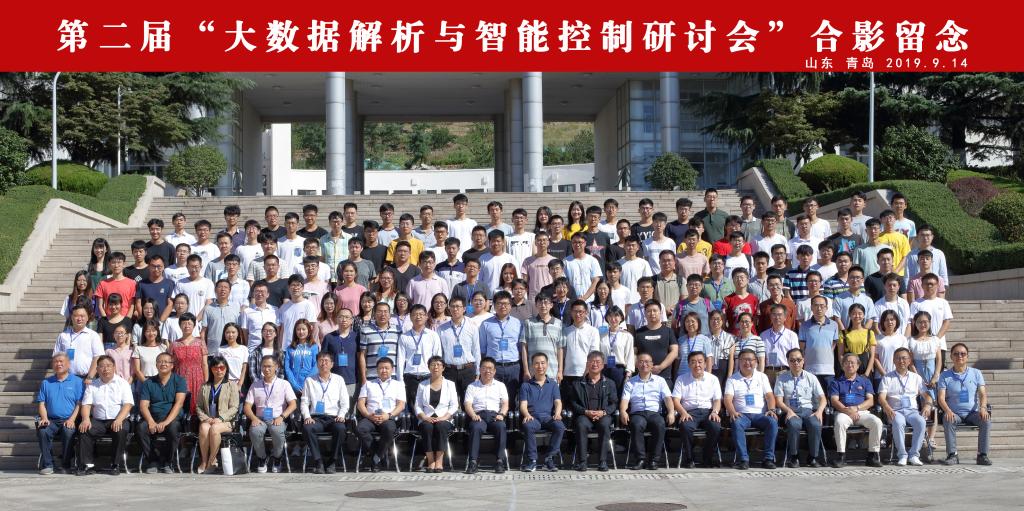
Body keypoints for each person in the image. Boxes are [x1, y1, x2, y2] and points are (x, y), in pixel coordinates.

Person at [77, 355, 134, 475]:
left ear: (114, 367)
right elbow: (86, 404)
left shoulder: (123, 383)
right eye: (102, 366)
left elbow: (128, 404)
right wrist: (86, 419)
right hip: (99, 420)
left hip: (119, 418)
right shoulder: (92, 385)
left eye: (108, 366)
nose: (105, 369)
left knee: (120, 430)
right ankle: (87, 465)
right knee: (84, 429)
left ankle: (115, 465)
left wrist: (119, 419)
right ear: (97, 369)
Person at [937, 343, 992, 466]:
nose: (959, 356)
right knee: (948, 418)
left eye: (963, 354)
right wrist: (948, 411)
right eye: (956, 354)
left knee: (986, 420)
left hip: (972, 413)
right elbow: (941, 398)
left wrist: (983, 408)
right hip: (954, 413)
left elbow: (983, 394)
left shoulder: (976, 373)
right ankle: (952, 455)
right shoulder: (944, 376)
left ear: (967, 356)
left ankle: (982, 455)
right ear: (951, 356)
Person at [723, 349, 779, 470]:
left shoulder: (762, 377)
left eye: (750, 360)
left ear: (756, 362)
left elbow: (769, 396)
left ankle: (768, 459)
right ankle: (743, 460)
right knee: (736, 422)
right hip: (742, 415)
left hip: (760, 414)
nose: (747, 363)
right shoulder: (732, 379)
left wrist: (772, 409)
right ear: (739, 361)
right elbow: (727, 399)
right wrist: (732, 412)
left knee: (772, 422)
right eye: (744, 360)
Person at [619, 353, 675, 470]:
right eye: (641, 361)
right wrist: (623, 411)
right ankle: (640, 459)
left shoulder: (660, 381)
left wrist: (671, 412)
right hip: (638, 413)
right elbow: (625, 400)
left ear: (652, 365)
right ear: (636, 365)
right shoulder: (630, 382)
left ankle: (654, 460)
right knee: (636, 424)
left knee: (660, 424)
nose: (644, 364)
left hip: (654, 413)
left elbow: (667, 398)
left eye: (647, 362)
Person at [879, 347, 934, 466]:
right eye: (898, 358)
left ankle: (914, 455)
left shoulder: (916, 377)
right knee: (898, 422)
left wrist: (927, 406)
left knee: (921, 422)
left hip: (912, 411)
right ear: (893, 360)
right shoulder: (887, 378)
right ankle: (902, 455)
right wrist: (887, 407)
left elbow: (928, 396)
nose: (901, 361)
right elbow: (881, 397)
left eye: (904, 358)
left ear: (909, 360)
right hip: (895, 411)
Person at [829, 353, 884, 467]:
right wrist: (848, 411)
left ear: (858, 365)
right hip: (844, 412)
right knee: (839, 422)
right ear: (842, 366)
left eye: (852, 362)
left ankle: (873, 455)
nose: (850, 365)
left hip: (861, 412)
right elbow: (834, 401)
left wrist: (857, 408)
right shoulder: (836, 382)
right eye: (847, 362)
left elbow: (871, 401)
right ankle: (841, 456)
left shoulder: (865, 381)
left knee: (877, 422)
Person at [245, 355, 298, 473]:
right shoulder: (255, 385)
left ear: (276, 367)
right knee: (255, 431)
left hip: (277, 418)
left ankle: (277, 458)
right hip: (260, 418)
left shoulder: (284, 384)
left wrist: (282, 417)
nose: (266, 369)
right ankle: (262, 458)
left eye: (269, 366)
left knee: (277, 431)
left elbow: (293, 404)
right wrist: (253, 418)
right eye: (264, 366)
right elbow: (247, 406)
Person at [774, 348, 826, 468]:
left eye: (798, 360)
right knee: (794, 424)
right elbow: (778, 401)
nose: (796, 363)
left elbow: (822, 398)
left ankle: (813, 457)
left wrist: (819, 411)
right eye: (792, 360)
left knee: (815, 424)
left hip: (808, 410)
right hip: (791, 410)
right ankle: (794, 457)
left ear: (803, 361)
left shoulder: (811, 377)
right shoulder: (781, 378)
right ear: (788, 362)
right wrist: (788, 411)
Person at [137, 352, 187, 474]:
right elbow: (143, 406)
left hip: (172, 418)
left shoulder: (179, 381)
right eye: (160, 361)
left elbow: (179, 403)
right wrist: (151, 421)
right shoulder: (149, 382)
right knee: (141, 428)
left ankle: (167, 462)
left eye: (166, 362)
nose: (163, 364)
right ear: (156, 365)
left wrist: (166, 422)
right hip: (153, 417)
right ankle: (152, 461)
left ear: (172, 365)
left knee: (173, 428)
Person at [672, 351, 723, 468]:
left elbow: (717, 400)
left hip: (708, 412)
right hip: (689, 412)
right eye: (693, 362)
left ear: (705, 364)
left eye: (700, 362)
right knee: (685, 426)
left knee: (715, 426)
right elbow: (675, 400)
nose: (697, 365)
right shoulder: (681, 379)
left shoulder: (713, 379)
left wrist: (715, 412)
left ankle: (707, 458)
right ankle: (689, 459)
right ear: (689, 364)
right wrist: (683, 413)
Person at [301, 351, 350, 474]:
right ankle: (318, 461)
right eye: (321, 361)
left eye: (326, 361)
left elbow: (345, 402)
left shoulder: (339, 380)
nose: (323, 363)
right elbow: (304, 402)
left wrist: (341, 415)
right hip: (316, 418)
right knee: (307, 428)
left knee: (340, 429)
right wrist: (307, 417)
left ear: (332, 364)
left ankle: (333, 461)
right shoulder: (309, 380)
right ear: (317, 364)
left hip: (334, 418)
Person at [35, 353, 84, 475]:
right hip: (51, 420)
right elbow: (41, 403)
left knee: (68, 432)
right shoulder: (46, 382)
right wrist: (44, 418)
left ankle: (66, 465)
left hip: (70, 419)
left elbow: (79, 404)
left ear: (68, 364)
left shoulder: (78, 382)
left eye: (61, 361)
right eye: (56, 362)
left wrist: (72, 419)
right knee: (43, 431)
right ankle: (48, 464)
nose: (59, 364)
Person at [570, 351, 617, 472]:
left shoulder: (610, 383)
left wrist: (603, 412)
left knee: (605, 424)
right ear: (587, 364)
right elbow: (573, 403)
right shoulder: (577, 384)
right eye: (592, 362)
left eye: (598, 362)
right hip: (584, 415)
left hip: (603, 415)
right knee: (580, 424)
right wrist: (586, 412)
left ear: (603, 365)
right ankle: (582, 462)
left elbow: (614, 403)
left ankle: (602, 461)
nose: (595, 364)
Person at [356, 357, 405, 472]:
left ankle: (376, 459)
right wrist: (368, 415)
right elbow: (360, 403)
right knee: (360, 429)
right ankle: (378, 455)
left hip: (388, 417)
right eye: (381, 368)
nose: (384, 370)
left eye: (387, 368)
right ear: (377, 370)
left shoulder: (398, 385)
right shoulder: (368, 384)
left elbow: (401, 405)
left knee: (389, 429)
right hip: (370, 417)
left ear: (392, 370)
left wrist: (388, 415)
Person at [519, 353, 565, 472]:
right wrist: (527, 415)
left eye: (543, 363)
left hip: (548, 418)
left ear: (547, 364)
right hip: (533, 418)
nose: (540, 366)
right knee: (528, 426)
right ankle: (532, 460)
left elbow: (558, 402)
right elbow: (523, 405)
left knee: (560, 426)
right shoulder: (526, 385)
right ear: (532, 366)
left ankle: (549, 459)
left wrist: (557, 413)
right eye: (537, 363)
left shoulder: (553, 384)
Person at [464, 357, 510, 474]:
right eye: (484, 368)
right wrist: (473, 415)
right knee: (475, 427)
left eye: (490, 368)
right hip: (478, 416)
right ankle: (473, 462)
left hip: (495, 416)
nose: (487, 371)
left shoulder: (500, 385)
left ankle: (500, 461)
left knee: (501, 427)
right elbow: (467, 404)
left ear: (494, 371)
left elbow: (505, 403)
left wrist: (502, 414)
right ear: (480, 369)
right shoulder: (472, 386)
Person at [195, 356, 240, 474]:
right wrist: (206, 418)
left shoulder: (232, 385)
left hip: (226, 422)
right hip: (208, 419)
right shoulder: (205, 386)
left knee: (215, 428)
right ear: (211, 369)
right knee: (204, 428)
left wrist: (221, 418)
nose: (219, 370)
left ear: (226, 369)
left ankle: (212, 461)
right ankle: (204, 461)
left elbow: (234, 407)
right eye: (215, 368)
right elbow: (198, 406)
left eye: (222, 367)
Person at [415, 356, 459, 473]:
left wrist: (444, 417)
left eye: (438, 365)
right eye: (433, 365)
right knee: (426, 427)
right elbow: (418, 405)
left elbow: (454, 405)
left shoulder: (450, 384)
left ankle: (439, 461)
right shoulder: (422, 385)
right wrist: (424, 417)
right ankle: (430, 461)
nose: (435, 367)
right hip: (426, 417)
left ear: (443, 368)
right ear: (428, 367)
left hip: (444, 418)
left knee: (441, 426)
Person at [479, 291, 523, 404]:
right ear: (494, 305)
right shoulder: (485, 324)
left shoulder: (518, 323)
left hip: (513, 367)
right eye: (499, 303)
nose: (503, 306)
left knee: (512, 398)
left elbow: (520, 347)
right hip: (494, 367)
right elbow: (483, 349)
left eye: (506, 303)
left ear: (511, 305)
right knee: (493, 399)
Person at [909, 310, 943, 450]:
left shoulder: (935, 340)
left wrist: (935, 376)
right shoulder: (911, 340)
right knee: (920, 405)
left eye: (925, 322)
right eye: (919, 322)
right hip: (917, 375)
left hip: (932, 376)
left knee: (932, 405)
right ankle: (922, 435)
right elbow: (910, 361)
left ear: (929, 323)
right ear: (915, 324)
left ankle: (932, 437)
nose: (922, 325)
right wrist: (918, 378)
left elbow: (939, 360)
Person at [437, 296, 480, 402]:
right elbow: (439, 353)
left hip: (468, 370)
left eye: (458, 306)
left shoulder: (472, 327)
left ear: (464, 309)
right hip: (449, 371)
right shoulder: (441, 329)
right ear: (449, 308)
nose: (455, 309)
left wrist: (478, 372)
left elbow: (476, 350)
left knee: (468, 403)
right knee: (449, 402)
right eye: (452, 306)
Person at [798, 295, 841, 392]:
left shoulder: (834, 325)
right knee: (812, 396)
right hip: (810, 369)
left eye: (822, 305)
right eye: (816, 305)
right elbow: (802, 348)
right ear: (811, 307)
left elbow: (833, 344)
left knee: (829, 396)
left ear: (826, 308)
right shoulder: (804, 325)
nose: (819, 308)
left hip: (828, 370)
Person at [167, 312, 207, 413]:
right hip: (179, 378)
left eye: (189, 323)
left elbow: (204, 364)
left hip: (197, 378)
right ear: (180, 325)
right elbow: (170, 365)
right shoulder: (174, 344)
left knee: (197, 406)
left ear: (194, 325)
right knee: (180, 406)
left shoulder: (200, 343)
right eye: (184, 323)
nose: (187, 326)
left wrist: (206, 382)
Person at [633, 300, 677, 381]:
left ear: (660, 313)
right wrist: (642, 367)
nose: (652, 313)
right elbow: (633, 353)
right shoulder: (639, 333)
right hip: (643, 378)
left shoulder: (668, 331)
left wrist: (661, 367)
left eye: (655, 310)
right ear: (645, 314)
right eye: (649, 311)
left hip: (664, 377)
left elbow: (674, 351)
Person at [600, 305, 634, 395]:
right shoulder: (601, 335)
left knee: (619, 394)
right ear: (607, 318)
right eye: (610, 316)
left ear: (621, 318)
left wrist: (628, 373)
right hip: (604, 368)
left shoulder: (627, 336)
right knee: (605, 395)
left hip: (619, 370)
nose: (613, 319)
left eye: (616, 316)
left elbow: (630, 355)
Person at [284, 319, 319, 397]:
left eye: (303, 329)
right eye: (298, 329)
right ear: (295, 331)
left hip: (309, 384)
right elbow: (287, 368)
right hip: (293, 387)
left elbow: (316, 365)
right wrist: (294, 384)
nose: (301, 332)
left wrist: (307, 382)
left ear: (308, 330)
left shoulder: (314, 347)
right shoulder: (290, 348)